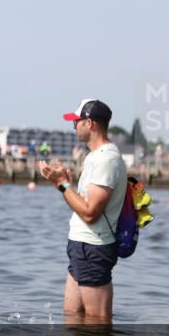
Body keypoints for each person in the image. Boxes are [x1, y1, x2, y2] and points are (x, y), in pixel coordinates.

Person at [39, 99, 127, 322]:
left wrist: (62, 184)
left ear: (89, 123)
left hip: (94, 248)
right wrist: (64, 183)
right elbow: (82, 205)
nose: (74, 127)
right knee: (72, 316)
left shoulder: (107, 159)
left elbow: (90, 213)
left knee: (97, 324)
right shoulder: (94, 156)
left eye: (76, 122)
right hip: (81, 245)